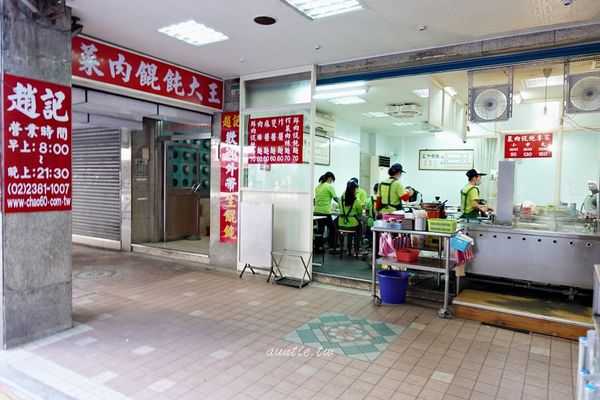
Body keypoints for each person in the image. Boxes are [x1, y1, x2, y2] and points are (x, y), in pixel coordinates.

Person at [337, 180, 364, 257]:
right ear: (354, 189)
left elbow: (340, 207)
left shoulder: (341, 197)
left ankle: (348, 249)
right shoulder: (356, 200)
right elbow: (360, 213)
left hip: (341, 223)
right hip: (353, 224)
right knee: (359, 228)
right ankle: (357, 249)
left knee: (349, 231)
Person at [314, 171, 338, 252]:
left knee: (320, 230)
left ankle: (319, 247)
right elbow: (335, 198)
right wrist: (343, 203)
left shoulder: (318, 187)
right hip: (325, 212)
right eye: (332, 180)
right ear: (330, 178)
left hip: (317, 211)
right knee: (333, 229)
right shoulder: (328, 186)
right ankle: (331, 246)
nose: (332, 182)